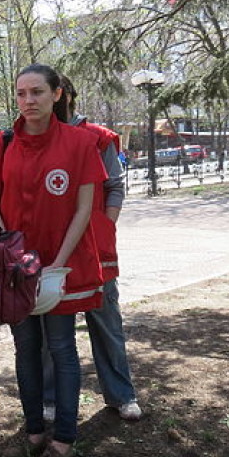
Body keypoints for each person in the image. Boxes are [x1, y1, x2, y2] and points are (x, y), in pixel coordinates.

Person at [0, 63, 106, 457]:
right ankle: (34, 431)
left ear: (56, 94)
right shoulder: (2, 144)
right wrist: (10, 254)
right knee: (24, 350)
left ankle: (64, 438)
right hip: (17, 271)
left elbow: (85, 209)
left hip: (62, 267)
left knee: (62, 348)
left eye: (36, 92)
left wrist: (57, 264)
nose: (28, 101)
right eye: (21, 94)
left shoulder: (80, 143)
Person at [41, 76, 142, 422]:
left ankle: (120, 393)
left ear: (64, 94)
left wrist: (105, 224)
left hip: (96, 249)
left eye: (50, 92)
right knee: (51, 329)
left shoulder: (98, 138)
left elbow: (114, 187)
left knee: (106, 320)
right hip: (52, 247)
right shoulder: (35, 138)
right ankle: (50, 398)